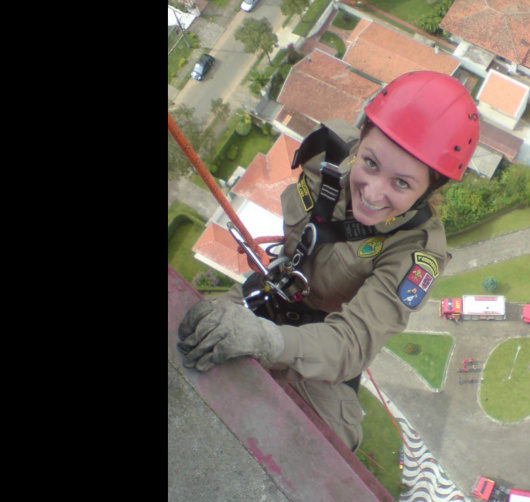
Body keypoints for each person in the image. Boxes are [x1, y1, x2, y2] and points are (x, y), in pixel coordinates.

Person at [177, 71, 480, 451]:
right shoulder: (326, 151)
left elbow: (350, 343)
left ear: (429, 189)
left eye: (402, 183)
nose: (372, 192)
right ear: (360, 137)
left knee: (326, 447)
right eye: (370, 163)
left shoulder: (415, 251)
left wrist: (263, 340)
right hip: (272, 293)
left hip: (324, 342)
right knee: (186, 339)